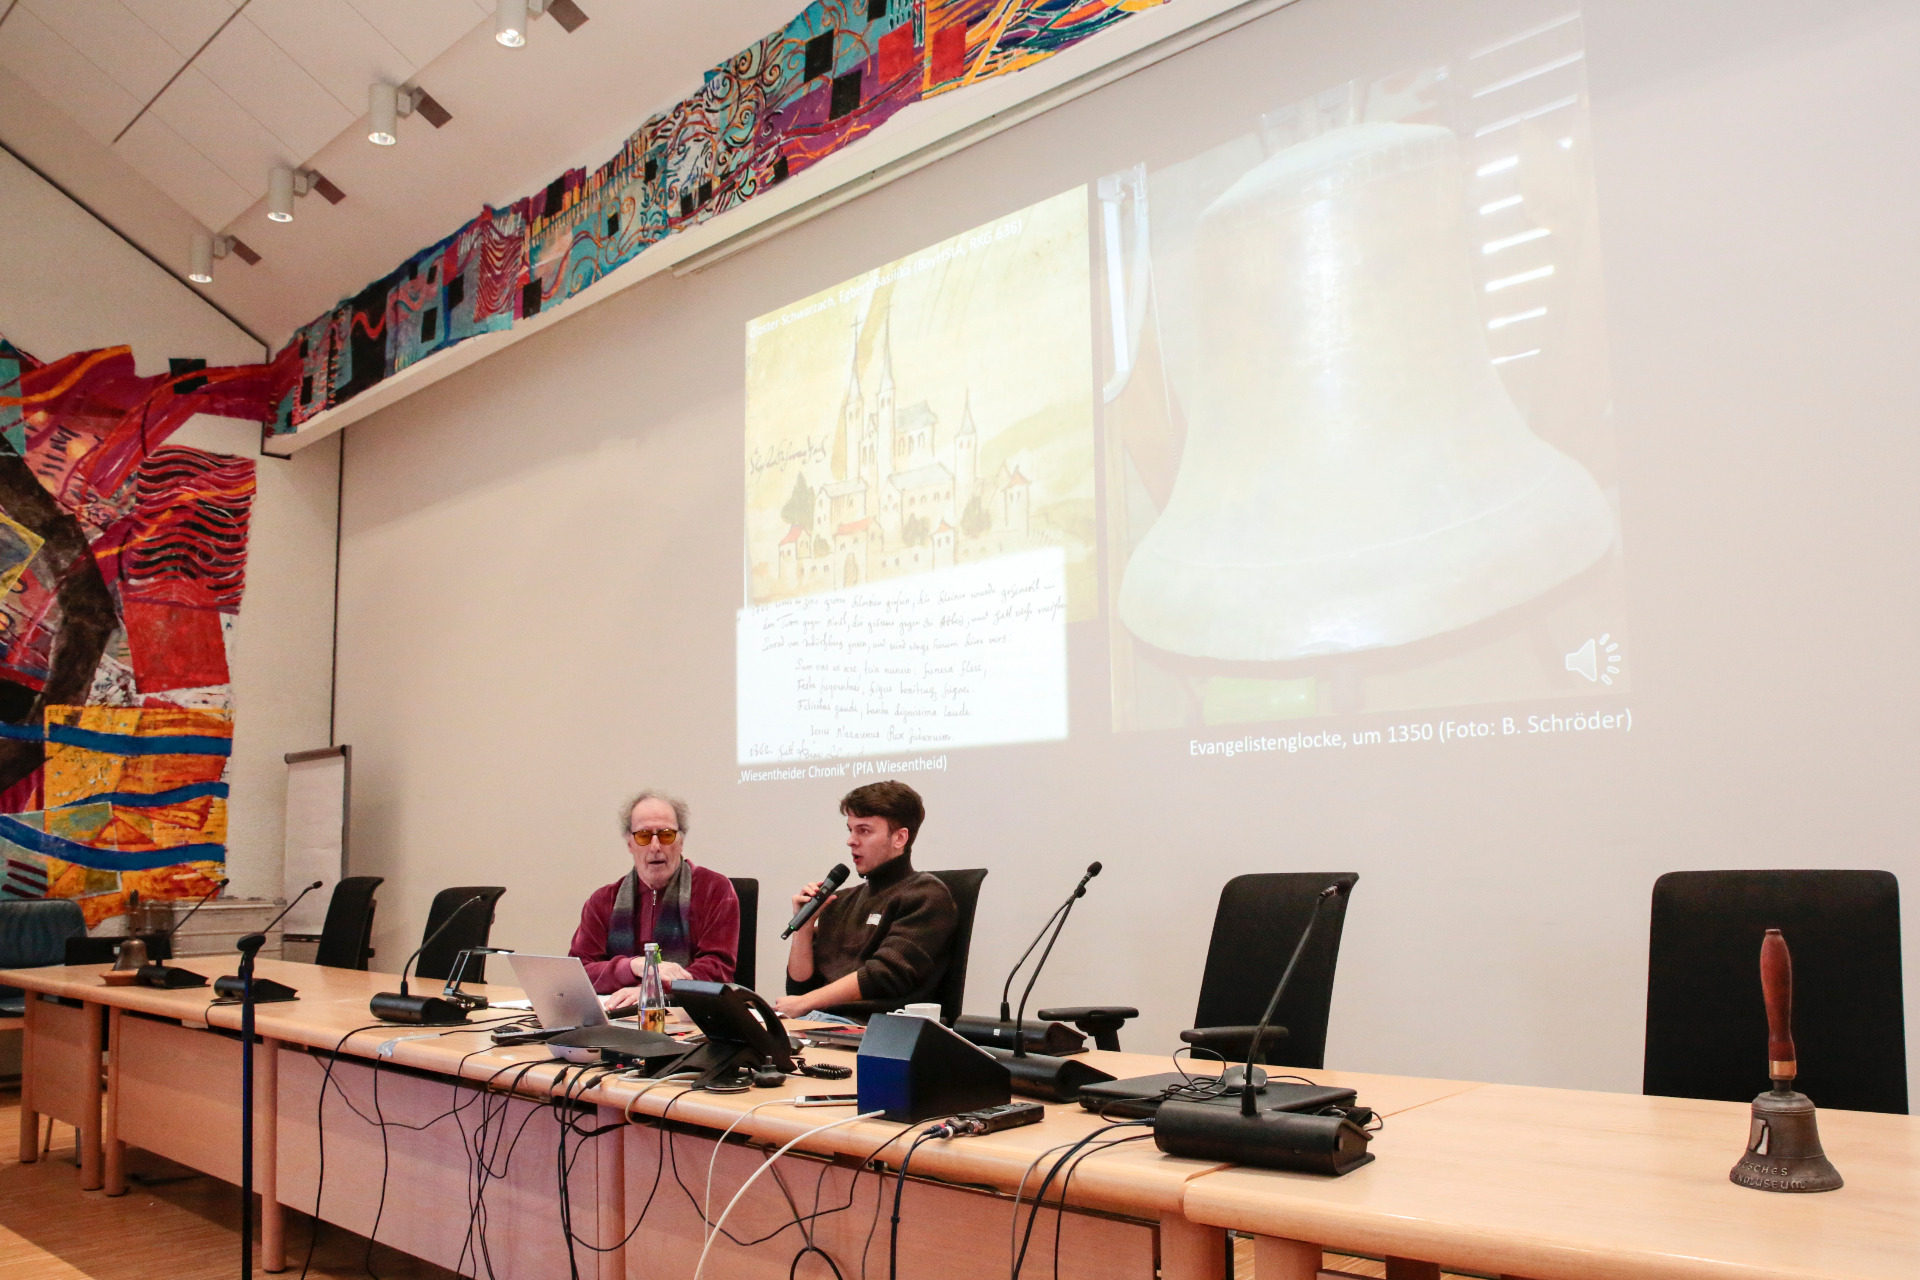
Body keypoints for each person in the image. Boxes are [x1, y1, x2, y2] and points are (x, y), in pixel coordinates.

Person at [773, 780, 956, 1020]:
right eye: (850, 830)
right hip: (819, 1026)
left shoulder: (926, 895)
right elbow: (800, 989)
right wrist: (804, 929)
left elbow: (884, 974)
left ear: (899, 838)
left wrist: (806, 1003)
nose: (851, 840)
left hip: (874, 1030)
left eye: (864, 830)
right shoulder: (840, 900)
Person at [571, 791, 740, 1009]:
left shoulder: (715, 889)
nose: (655, 847)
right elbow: (579, 972)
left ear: (681, 841)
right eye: (643, 836)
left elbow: (717, 969)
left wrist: (652, 989)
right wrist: (632, 966)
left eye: (666, 835)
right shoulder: (603, 901)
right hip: (620, 1017)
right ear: (630, 844)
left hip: (691, 1017)